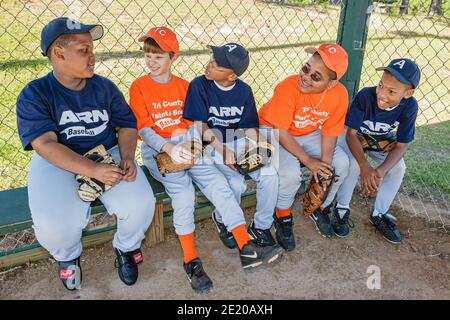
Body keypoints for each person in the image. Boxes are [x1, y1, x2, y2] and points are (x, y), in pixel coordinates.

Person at [16, 17, 155, 290]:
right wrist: (91, 170)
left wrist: (127, 155)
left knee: (141, 204)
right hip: (59, 161)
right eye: (84, 50)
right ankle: (68, 258)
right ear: (58, 53)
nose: (93, 56)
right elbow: (45, 144)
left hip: (108, 152)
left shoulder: (103, 86)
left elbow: (126, 124)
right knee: (53, 225)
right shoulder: (36, 93)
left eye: (92, 49)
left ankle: (125, 248)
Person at [183, 43, 283, 269]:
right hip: (212, 144)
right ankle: (222, 220)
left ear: (231, 76)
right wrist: (222, 149)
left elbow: (247, 126)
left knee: (270, 174)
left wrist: (260, 143)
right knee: (236, 183)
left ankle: (261, 227)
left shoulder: (243, 90)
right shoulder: (199, 85)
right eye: (211, 59)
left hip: (237, 142)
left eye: (216, 65)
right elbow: (199, 126)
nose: (209, 65)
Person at [258, 43, 350, 249]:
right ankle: (282, 217)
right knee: (290, 174)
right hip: (271, 130)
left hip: (306, 132)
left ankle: (321, 206)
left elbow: (331, 131)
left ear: (331, 84)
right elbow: (280, 130)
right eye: (306, 68)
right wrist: (309, 162)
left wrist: (323, 167)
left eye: (316, 76)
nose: (306, 77)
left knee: (341, 164)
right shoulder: (288, 87)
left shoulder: (339, 95)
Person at [333, 58, 420, 243]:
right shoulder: (365, 95)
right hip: (353, 136)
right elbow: (351, 134)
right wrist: (365, 167)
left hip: (379, 139)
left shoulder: (410, 106)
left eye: (391, 91)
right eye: (381, 85)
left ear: (408, 93)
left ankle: (379, 214)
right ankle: (341, 208)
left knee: (397, 168)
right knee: (353, 165)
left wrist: (379, 172)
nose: (381, 93)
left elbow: (402, 145)